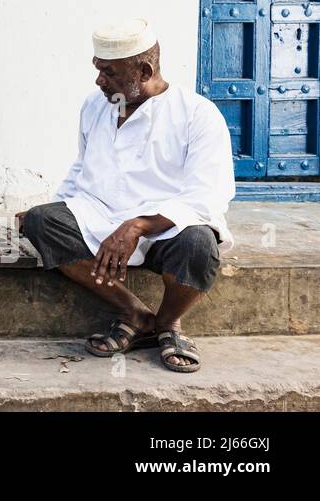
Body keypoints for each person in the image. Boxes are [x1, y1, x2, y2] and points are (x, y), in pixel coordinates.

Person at [19, 19, 235, 373]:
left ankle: (168, 323)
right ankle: (135, 313)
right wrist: (58, 204)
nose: (99, 80)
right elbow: (82, 166)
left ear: (144, 70)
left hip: (167, 228)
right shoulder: (95, 105)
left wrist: (138, 225)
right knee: (42, 221)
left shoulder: (197, 115)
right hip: (100, 218)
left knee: (199, 245)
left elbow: (208, 195)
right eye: (98, 70)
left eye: (110, 72)